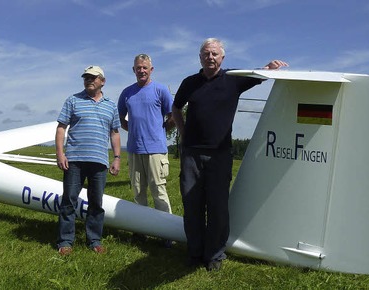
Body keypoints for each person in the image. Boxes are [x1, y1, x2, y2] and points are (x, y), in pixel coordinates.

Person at [171, 38, 287, 271]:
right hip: (192, 154)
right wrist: (183, 136)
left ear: (222, 58)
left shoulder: (233, 79)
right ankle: (194, 253)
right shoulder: (189, 83)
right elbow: (176, 108)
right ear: (200, 58)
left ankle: (214, 254)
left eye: (214, 54)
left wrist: (270, 67)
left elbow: (259, 74)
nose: (210, 57)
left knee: (217, 207)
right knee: (192, 206)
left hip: (219, 154)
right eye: (206, 54)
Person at [55, 65, 121, 256]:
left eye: (93, 77)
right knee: (69, 201)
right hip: (74, 159)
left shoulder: (111, 105)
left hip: (99, 161)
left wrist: (117, 158)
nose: (89, 80)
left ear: (103, 81)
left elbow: (115, 133)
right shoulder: (73, 100)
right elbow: (61, 128)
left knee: (96, 203)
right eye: (86, 77)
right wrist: (60, 153)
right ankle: (65, 241)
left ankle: (94, 240)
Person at [117, 54, 174, 247]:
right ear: (133, 70)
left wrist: (160, 130)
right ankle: (141, 230)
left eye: (145, 67)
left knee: (158, 191)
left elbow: (172, 115)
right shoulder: (127, 93)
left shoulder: (160, 90)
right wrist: (131, 129)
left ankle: (167, 231)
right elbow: (120, 117)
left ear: (151, 69)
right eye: (138, 68)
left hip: (156, 149)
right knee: (138, 191)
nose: (141, 71)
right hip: (134, 150)